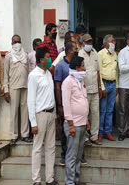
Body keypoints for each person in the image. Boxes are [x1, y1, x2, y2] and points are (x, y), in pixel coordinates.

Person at [28, 47, 59, 185]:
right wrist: (33, 123)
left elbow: (51, 95)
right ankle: (36, 180)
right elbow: (31, 100)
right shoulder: (34, 75)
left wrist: (55, 114)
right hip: (40, 115)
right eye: (47, 57)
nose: (50, 60)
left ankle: (50, 179)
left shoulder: (48, 74)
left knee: (51, 147)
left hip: (51, 113)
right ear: (41, 60)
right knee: (37, 148)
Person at [62, 55, 90, 185]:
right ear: (77, 67)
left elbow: (84, 100)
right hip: (73, 124)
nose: (85, 68)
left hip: (82, 123)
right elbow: (66, 104)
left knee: (79, 155)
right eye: (83, 65)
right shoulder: (68, 82)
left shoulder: (81, 81)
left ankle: (76, 179)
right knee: (72, 156)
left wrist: (87, 121)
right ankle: (69, 182)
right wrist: (71, 125)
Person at [4, 35, 31, 145]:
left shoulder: (25, 55)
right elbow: (5, 74)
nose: (17, 44)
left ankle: (25, 134)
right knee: (14, 112)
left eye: (19, 42)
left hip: (25, 86)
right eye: (15, 42)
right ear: (11, 43)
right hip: (13, 87)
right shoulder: (8, 56)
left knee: (25, 112)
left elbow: (28, 71)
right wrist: (6, 90)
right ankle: (14, 135)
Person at [54, 41, 77, 166]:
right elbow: (57, 86)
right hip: (65, 103)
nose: (77, 50)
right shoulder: (60, 66)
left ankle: (77, 155)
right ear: (69, 51)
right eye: (75, 49)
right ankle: (64, 155)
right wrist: (60, 105)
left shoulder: (75, 64)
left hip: (75, 103)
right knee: (64, 130)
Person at [79, 34, 102, 145]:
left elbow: (98, 72)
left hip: (95, 89)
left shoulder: (95, 53)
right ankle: (85, 138)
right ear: (83, 43)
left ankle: (94, 136)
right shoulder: (79, 54)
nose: (89, 44)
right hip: (84, 90)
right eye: (87, 42)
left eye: (90, 42)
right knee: (85, 114)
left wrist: (100, 87)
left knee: (95, 114)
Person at [98, 34, 118, 142]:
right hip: (104, 84)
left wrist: (117, 86)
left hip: (113, 84)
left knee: (110, 110)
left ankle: (108, 132)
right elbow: (99, 72)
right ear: (106, 44)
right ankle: (100, 133)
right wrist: (102, 87)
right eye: (112, 41)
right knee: (103, 110)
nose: (114, 43)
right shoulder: (100, 54)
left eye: (114, 41)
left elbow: (116, 71)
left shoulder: (115, 54)